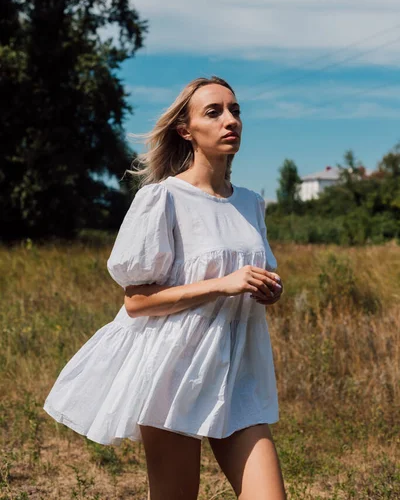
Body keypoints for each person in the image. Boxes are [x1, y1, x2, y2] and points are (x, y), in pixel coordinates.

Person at [43, 75, 286, 499]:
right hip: (174, 372)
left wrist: (266, 289)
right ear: (185, 130)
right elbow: (136, 302)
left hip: (238, 371)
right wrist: (223, 284)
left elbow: (246, 279)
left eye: (235, 110)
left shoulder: (250, 203)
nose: (230, 120)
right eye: (214, 112)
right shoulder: (164, 199)